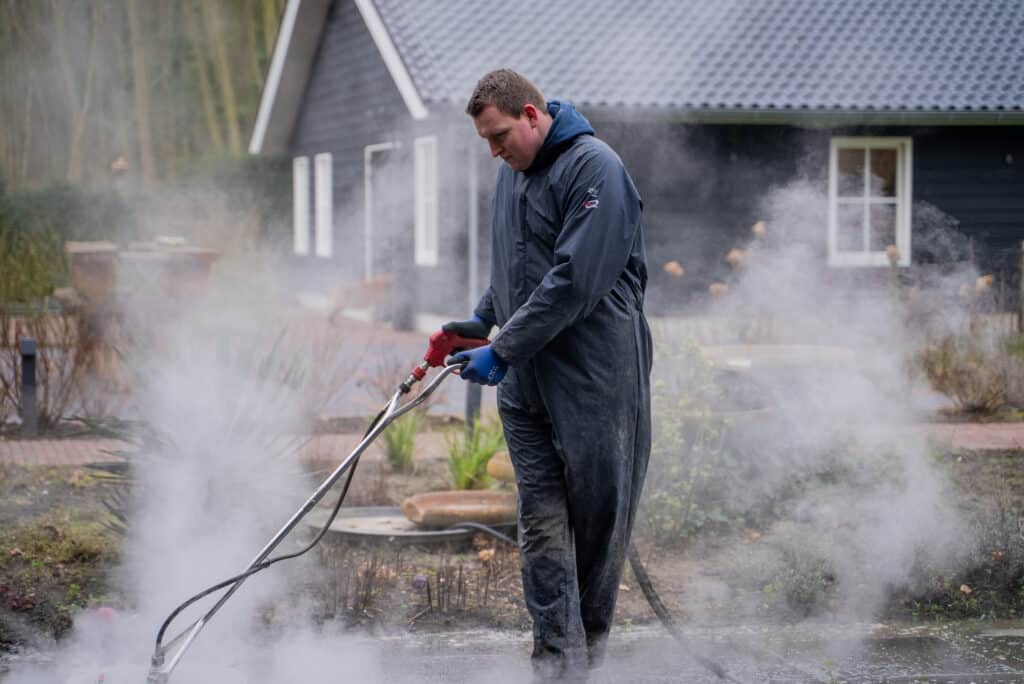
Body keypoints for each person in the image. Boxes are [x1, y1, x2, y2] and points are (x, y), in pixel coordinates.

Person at [440, 69, 652, 680]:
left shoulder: (595, 169)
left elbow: (576, 278)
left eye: (500, 135)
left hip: (595, 378)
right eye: (485, 140)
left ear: (533, 115)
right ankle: (557, 665)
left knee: (595, 528)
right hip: (528, 383)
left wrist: (503, 351)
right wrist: (483, 320)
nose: (494, 150)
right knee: (540, 526)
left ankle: (588, 661)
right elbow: (518, 264)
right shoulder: (512, 176)